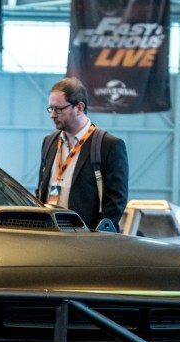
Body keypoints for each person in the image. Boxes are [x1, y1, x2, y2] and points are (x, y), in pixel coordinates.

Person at [36, 77, 129, 230]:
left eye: (58, 109)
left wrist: (95, 235)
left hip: (86, 239)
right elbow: (41, 188)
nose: (52, 115)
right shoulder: (49, 142)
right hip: (49, 234)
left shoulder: (109, 146)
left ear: (79, 108)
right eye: (50, 109)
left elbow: (116, 202)